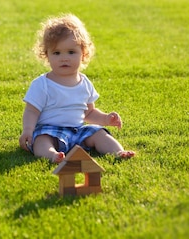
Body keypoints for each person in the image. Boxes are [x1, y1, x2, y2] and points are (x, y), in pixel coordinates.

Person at [18, 14, 135, 163]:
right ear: (46, 55)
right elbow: (31, 111)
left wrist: (105, 118)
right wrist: (28, 130)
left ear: (83, 54)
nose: (64, 58)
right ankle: (53, 155)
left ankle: (119, 152)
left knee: (100, 133)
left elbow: (89, 112)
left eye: (71, 52)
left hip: (77, 131)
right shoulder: (42, 84)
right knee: (41, 140)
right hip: (50, 131)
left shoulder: (84, 83)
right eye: (57, 53)